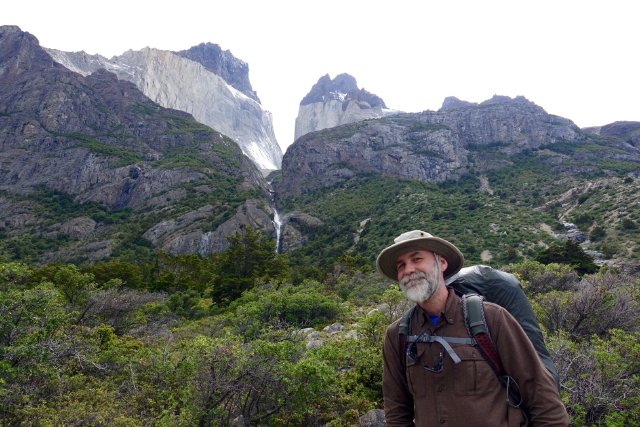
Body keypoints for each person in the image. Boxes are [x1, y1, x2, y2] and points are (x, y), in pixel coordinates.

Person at [376, 230, 569, 426]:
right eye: (401, 265)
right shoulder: (397, 336)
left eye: (417, 259)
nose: (408, 270)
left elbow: (543, 400)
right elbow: (397, 413)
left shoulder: (491, 319)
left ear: (442, 263)